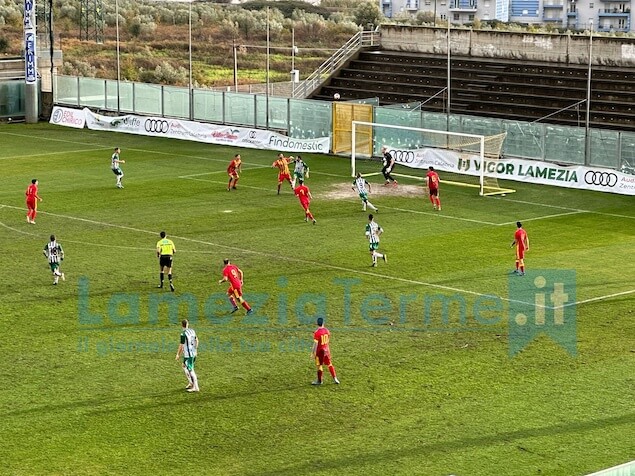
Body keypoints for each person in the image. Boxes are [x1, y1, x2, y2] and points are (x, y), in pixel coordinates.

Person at [310, 317, 340, 385]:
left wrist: (313, 353)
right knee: (329, 364)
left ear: (317, 324)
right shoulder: (327, 331)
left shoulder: (317, 333)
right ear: (323, 323)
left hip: (320, 352)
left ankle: (319, 381)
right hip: (326, 351)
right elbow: (327, 340)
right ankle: (335, 378)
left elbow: (315, 344)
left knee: (319, 366)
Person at [175, 319, 199, 393]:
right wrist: (195, 349)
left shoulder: (183, 334)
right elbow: (197, 340)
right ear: (187, 324)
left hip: (189, 355)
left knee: (191, 370)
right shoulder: (192, 331)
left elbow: (181, 345)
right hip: (193, 353)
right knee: (184, 366)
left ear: (182, 325)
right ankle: (191, 383)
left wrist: (178, 354)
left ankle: (196, 387)